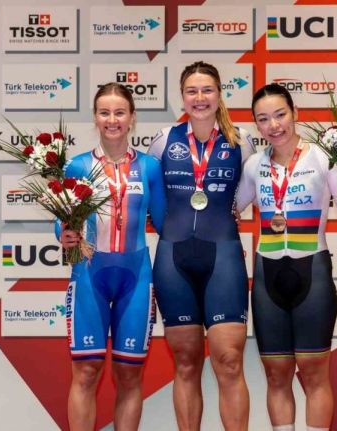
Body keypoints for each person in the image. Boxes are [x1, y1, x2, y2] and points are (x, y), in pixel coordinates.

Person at [236, 84, 337, 431]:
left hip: (312, 271)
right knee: (276, 374)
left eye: (280, 115)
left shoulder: (323, 158)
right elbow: (231, 209)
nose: (274, 125)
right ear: (257, 125)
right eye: (264, 119)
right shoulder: (254, 166)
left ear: (295, 114)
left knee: (313, 372)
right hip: (268, 275)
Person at [148, 61, 256, 431]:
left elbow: (253, 192)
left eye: (207, 90)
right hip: (173, 258)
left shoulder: (241, 140)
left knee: (229, 361)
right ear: (182, 96)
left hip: (223, 256)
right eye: (192, 91)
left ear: (219, 94)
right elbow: (146, 195)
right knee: (186, 362)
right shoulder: (163, 139)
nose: (200, 98)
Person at [58, 83, 166, 431]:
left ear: (132, 118)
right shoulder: (77, 166)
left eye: (120, 112)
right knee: (86, 371)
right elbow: (62, 222)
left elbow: (164, 220)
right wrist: (64, 234)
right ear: (95, 117)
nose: (112, 120)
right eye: (104, 113)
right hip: (90, 275)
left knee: (129, 374)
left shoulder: (149, 167)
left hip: (136, 277)